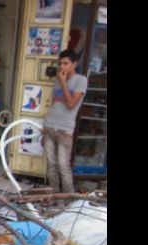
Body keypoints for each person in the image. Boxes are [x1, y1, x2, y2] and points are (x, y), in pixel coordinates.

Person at [42, 49, 87, 194]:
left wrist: (63, 83)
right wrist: (45, 124)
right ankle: (54, 194)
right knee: (52, 165)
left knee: (63, 166)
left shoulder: (81, 80)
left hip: (65, 129)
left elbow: (71, 103)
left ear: (75, 63)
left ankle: (69, 198)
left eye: (66, 63)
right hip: (50, 126)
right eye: (60, 63)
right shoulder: (58, 80)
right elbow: (55, 103)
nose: (62, 67)